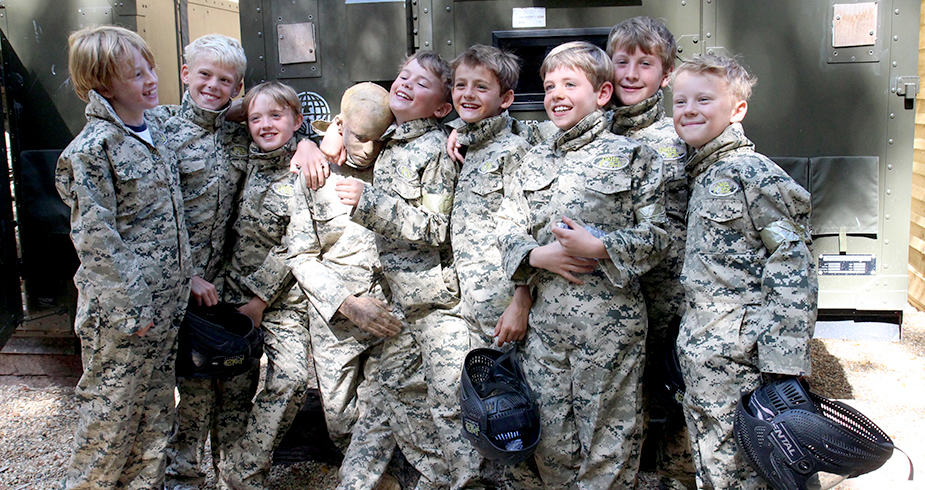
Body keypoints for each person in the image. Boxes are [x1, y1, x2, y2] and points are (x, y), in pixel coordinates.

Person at [496, 41, 668, 488]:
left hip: (610, 329)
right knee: (552, 442)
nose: (556, 94)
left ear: (603, 93)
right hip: (545, 331)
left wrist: (601, 247)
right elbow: (507, 230)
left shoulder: (636, 158)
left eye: (570, 84)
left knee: (610, 443)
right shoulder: (531, 161)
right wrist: (536, 256)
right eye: (550, 85)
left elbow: (658, 237)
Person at [334, 51, 483, 488]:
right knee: (394, 395)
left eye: (421, 84)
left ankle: (457, 479)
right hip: (403, 303)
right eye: (403, 76)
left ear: (442, 107)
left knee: (447, 406)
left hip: (435, 307)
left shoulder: (436, 149)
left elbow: (437, 226)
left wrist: (370, 203)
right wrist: (322, 136)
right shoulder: (394, 142)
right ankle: (434, 477)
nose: (405, 85)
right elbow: (347, 128)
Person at [671, 54, 816, 488]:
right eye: (679, 101)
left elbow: (793, 267)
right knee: (714, 463)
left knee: (749, 468)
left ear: (737, 109)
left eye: (703, 99)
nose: (689, 110)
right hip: (704, 354)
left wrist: (783, 366)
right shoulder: (701, 170)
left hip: (743, 361)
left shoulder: (753, 174)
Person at [56, 25, 190, 488]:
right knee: (108, 429)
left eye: (150, 66)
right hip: (124, 318)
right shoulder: (92, 151)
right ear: (102, 85)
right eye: (136, 74)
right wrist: (135, 310)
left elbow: (214, 113)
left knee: (154, 422)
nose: (151, 78)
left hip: (164, 310)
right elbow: (97, 239)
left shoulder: (155, 128)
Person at [148, 34, 254, 490]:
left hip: (226, 281)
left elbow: (283, 124)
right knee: (191, 387)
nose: (213, 85)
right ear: (185, 74)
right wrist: (185, 274)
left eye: (225, 79)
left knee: (234, 383)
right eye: (204, 74)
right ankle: (184, 475)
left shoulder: (238, 133)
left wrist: (310, 141)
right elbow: (147, 216)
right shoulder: (159, 129)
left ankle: (235, 475)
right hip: (180, 284)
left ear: (238, 85)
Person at [283, 82, 402, 462]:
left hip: (391, 315)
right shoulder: (315, 171)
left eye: (378, 139)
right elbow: (300, 255)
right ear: (339, 125)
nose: (368, 149)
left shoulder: (399, 164)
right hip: (337, 320)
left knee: (396, 407)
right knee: (340, 419)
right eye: (360, 137)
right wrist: (347, 304)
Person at [606, 16, 696, 488]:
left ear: (665, 75)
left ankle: (676, 475)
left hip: (670, 297)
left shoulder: (681, 136)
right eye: (622, 61)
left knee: (673, 395)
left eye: (646, 64)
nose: (631, 73)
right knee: (622, 401)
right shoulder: (591, 131)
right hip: (613, 298)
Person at [216, 81, 313, 489]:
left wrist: (308, 141)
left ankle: (244, 464)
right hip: (232, 296)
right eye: (256, 118)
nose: (265, 125)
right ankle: (237, 480)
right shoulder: (241, 153)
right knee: (234, 391)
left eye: (276, 116)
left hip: (282, 301)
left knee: (289, 378)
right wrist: (246, 107)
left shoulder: (309, 165)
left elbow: (297, 242)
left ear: (297, 121)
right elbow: (222, 115)